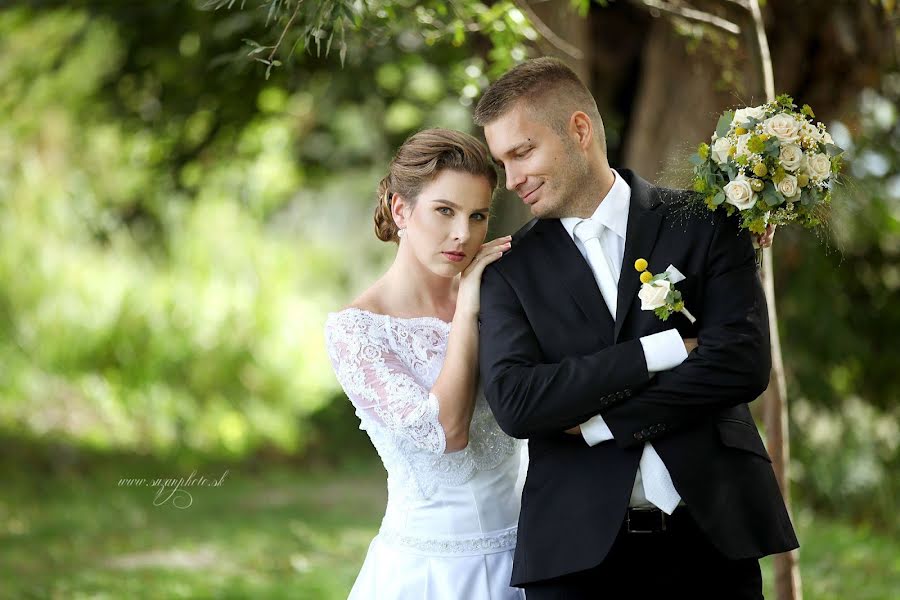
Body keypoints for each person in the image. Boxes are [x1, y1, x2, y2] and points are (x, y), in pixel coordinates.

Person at [474, 57, 799, 599]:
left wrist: (601, 423)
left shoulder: (706, 223)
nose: (512, 180)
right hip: (576, 556)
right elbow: (518, 404)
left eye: (523, 152)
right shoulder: (508, 270)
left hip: (713, 538)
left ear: (579, 130)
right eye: (502, 162)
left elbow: (741, 362)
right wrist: (664, 349)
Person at [324, 128, 526, 599]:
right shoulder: (357, 331)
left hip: (527, 559)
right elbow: (446, 432)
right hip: (430, 572)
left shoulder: (504, 297)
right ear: (401, 210)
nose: (463, 234)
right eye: (444, 211)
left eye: (478, 216)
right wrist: (470, 304)